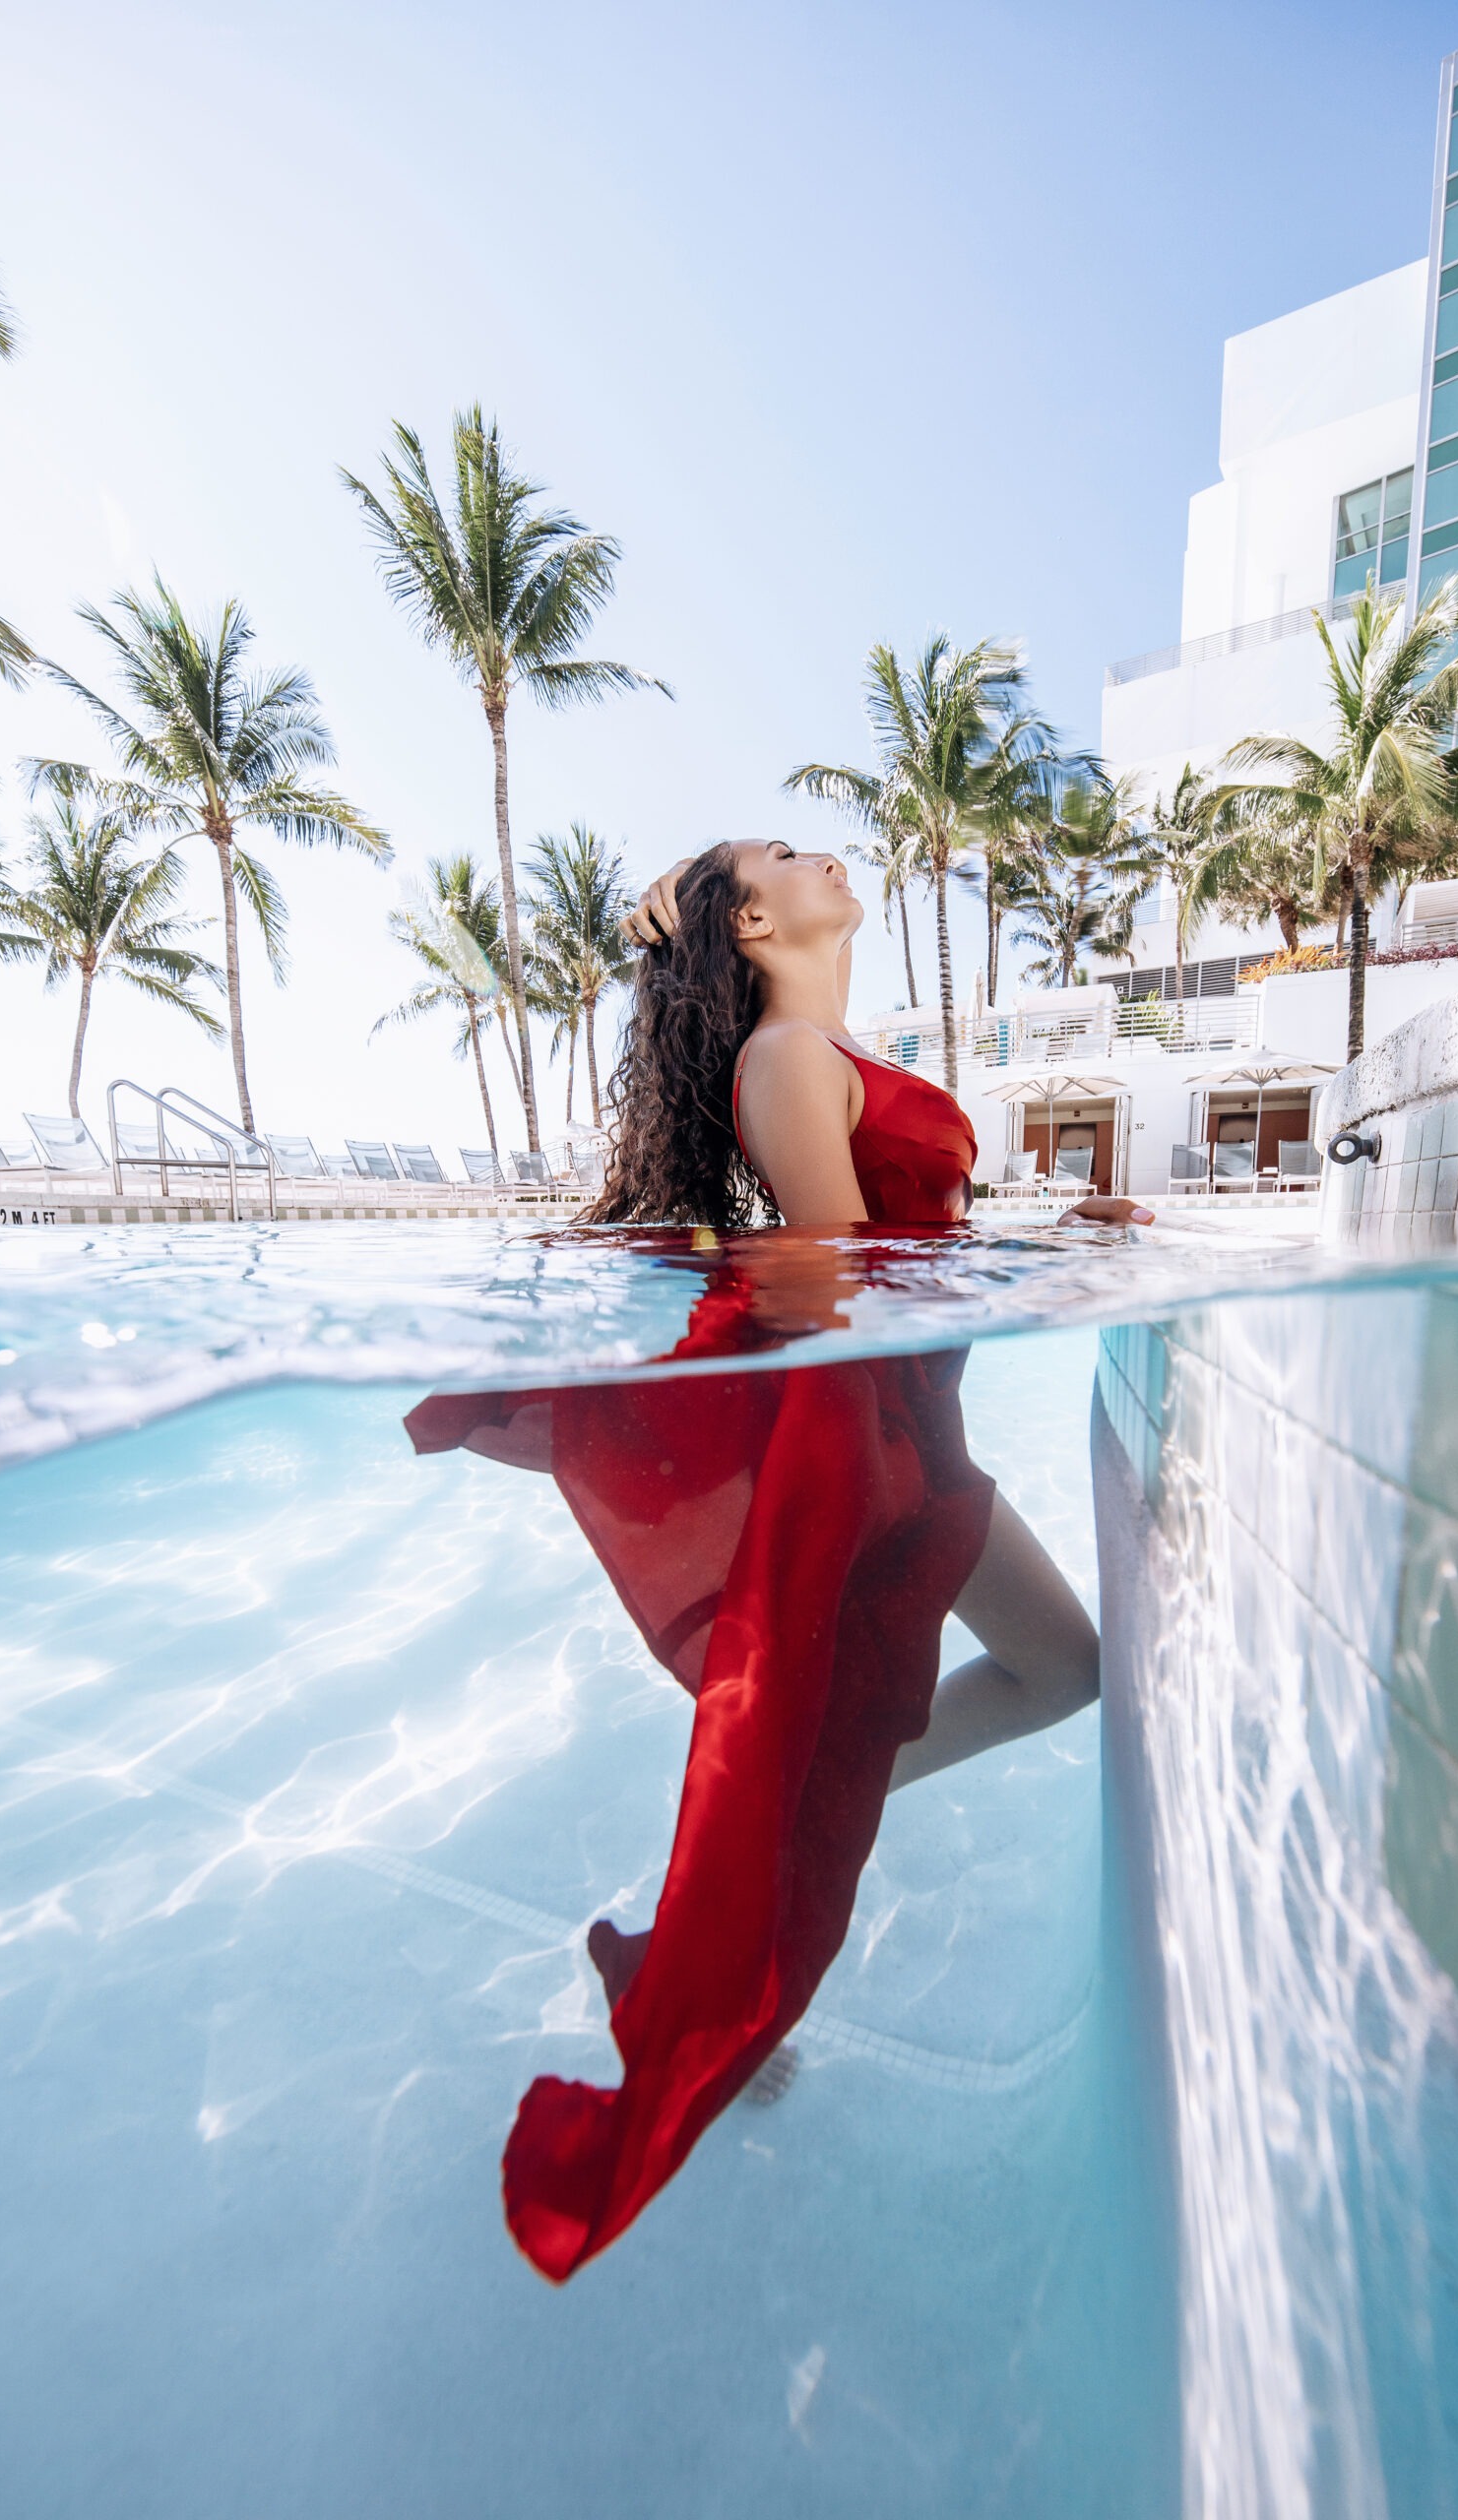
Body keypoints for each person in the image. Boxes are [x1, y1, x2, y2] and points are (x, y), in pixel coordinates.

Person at [406, 841, 1153, 2282]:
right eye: (780, 855)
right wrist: (1043, 1276)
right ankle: (720, 1961)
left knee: (1052, 1671)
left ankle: (734, 1895)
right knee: (1017, 1683)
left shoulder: (816, 1049)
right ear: (756, 921)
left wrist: (1044, 1243)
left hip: (902, 1420)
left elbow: (895, 1242)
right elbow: (844, 1276)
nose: (822, 852)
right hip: (871, 1438)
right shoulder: (786, 1056)